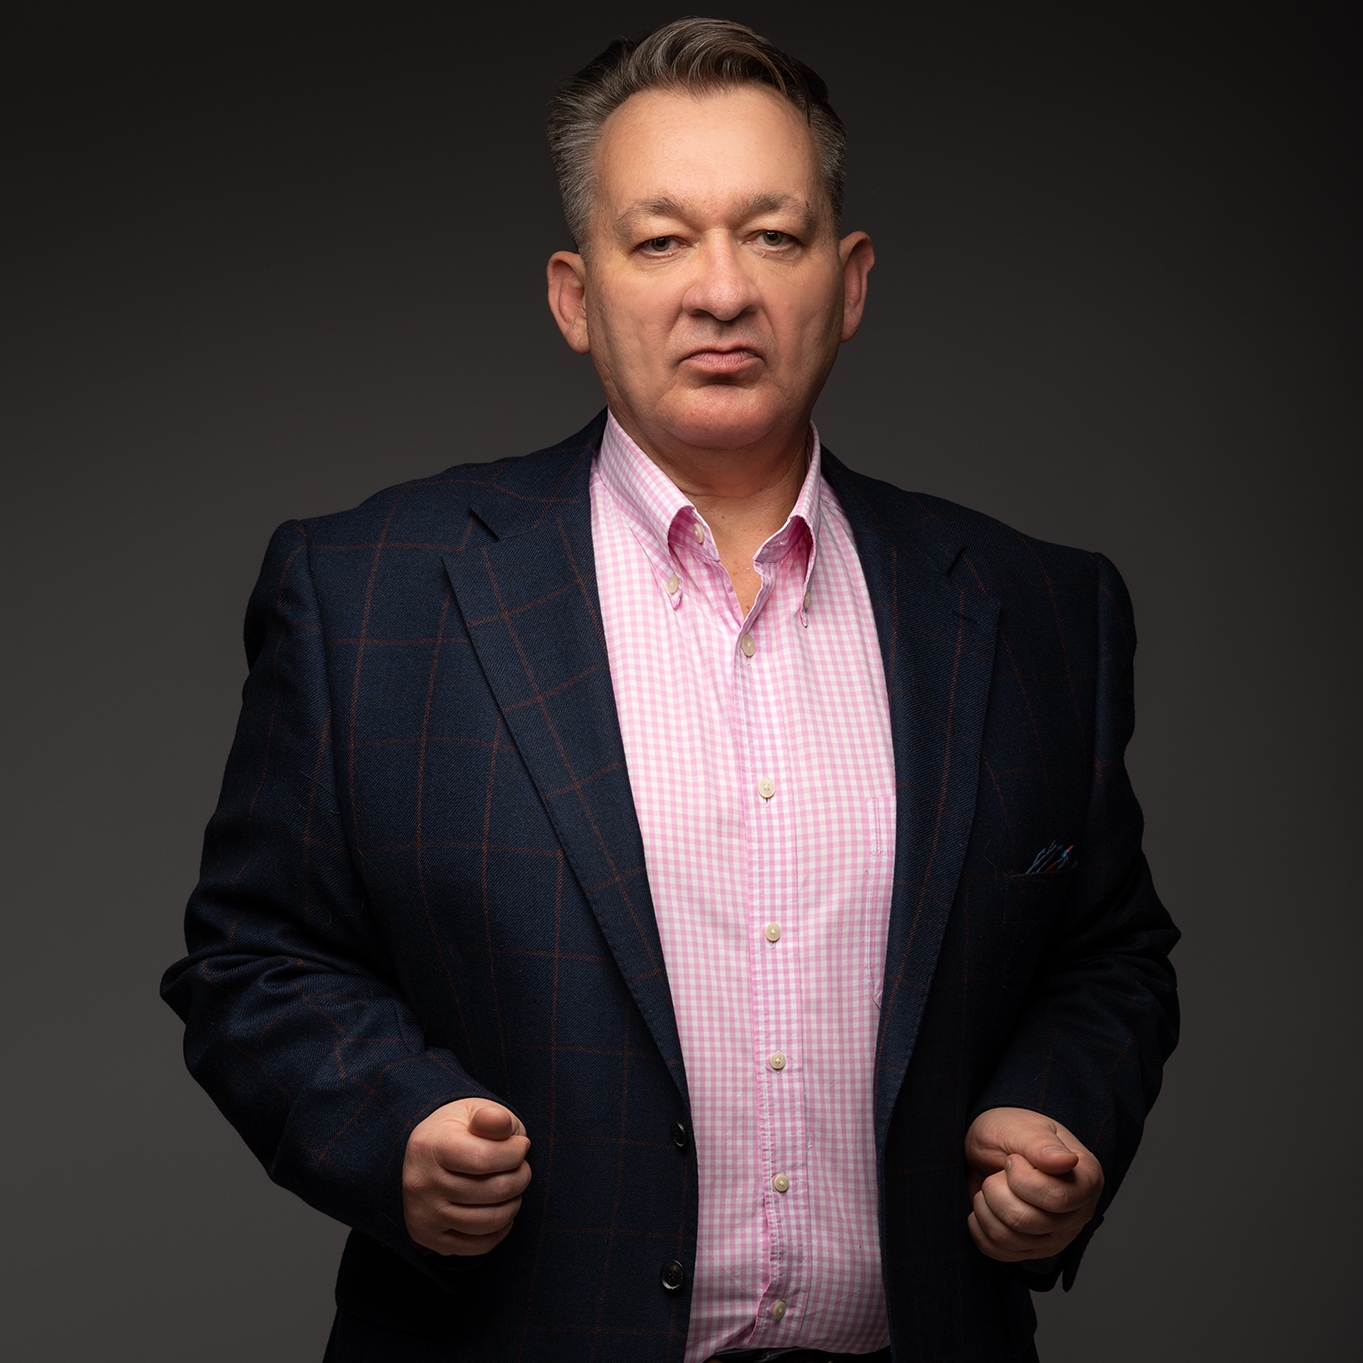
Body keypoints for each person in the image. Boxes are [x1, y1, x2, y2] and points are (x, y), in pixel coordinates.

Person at [162, 17, 1179, 1363]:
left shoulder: (1036, 608)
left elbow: (1106, 952)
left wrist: (1061, 1109)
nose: (722, 291)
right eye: (660, 242)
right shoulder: (371, 595)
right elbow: (254, 958)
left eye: (773, 235)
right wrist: (390, 1126)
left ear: (849, 282)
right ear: (575, 295)